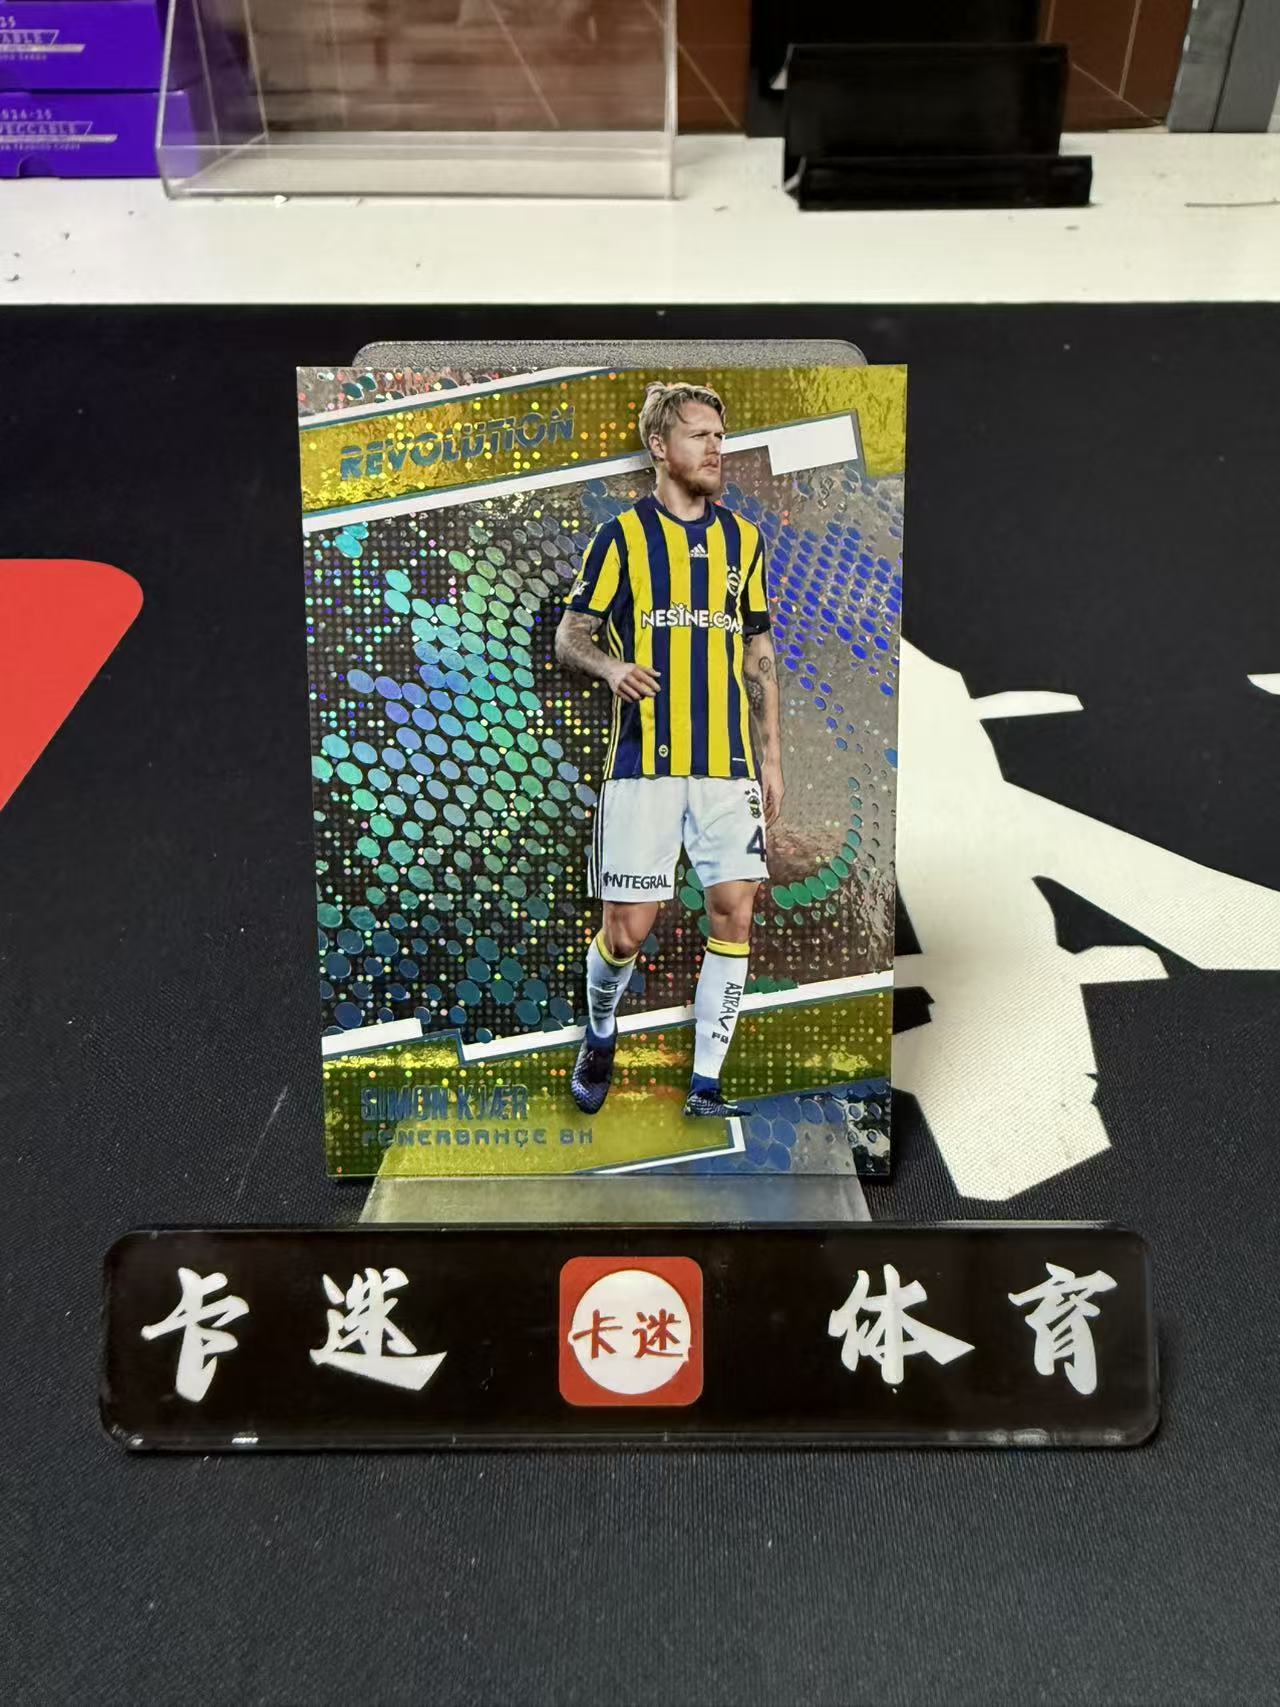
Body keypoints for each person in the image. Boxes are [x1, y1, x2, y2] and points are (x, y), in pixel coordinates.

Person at [554, 381, 784, 1119]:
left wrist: (771, 757)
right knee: (626, 932)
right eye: (700, 435)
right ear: (660, 446)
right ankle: (600, 1033)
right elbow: (570, 636)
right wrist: (609, 668)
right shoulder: (621, 537)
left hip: (727, 767)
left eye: (720, 435)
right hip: (643, 766)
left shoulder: (743, 541)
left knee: (734, 912)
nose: (717, 448)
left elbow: (758, 652)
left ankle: (706, 1085)